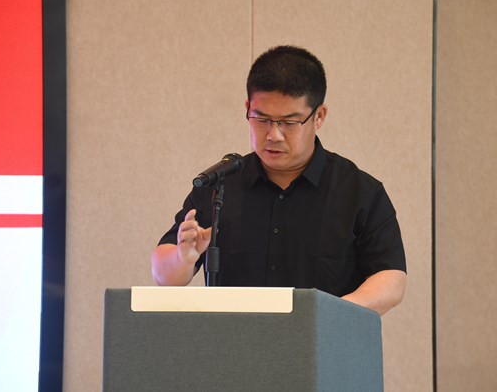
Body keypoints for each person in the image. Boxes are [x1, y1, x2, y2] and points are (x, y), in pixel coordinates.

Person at [151, 45, 406, 315]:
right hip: (232, 340)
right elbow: (164, 275)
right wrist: (182, 258)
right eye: (261, 119)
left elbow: (391, 279)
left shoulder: (359, 191)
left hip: (322, 339)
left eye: (289, 122)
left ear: (318, 116)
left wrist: (331, 316)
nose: (274, 135)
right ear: (248, 108)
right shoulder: (220, 186)